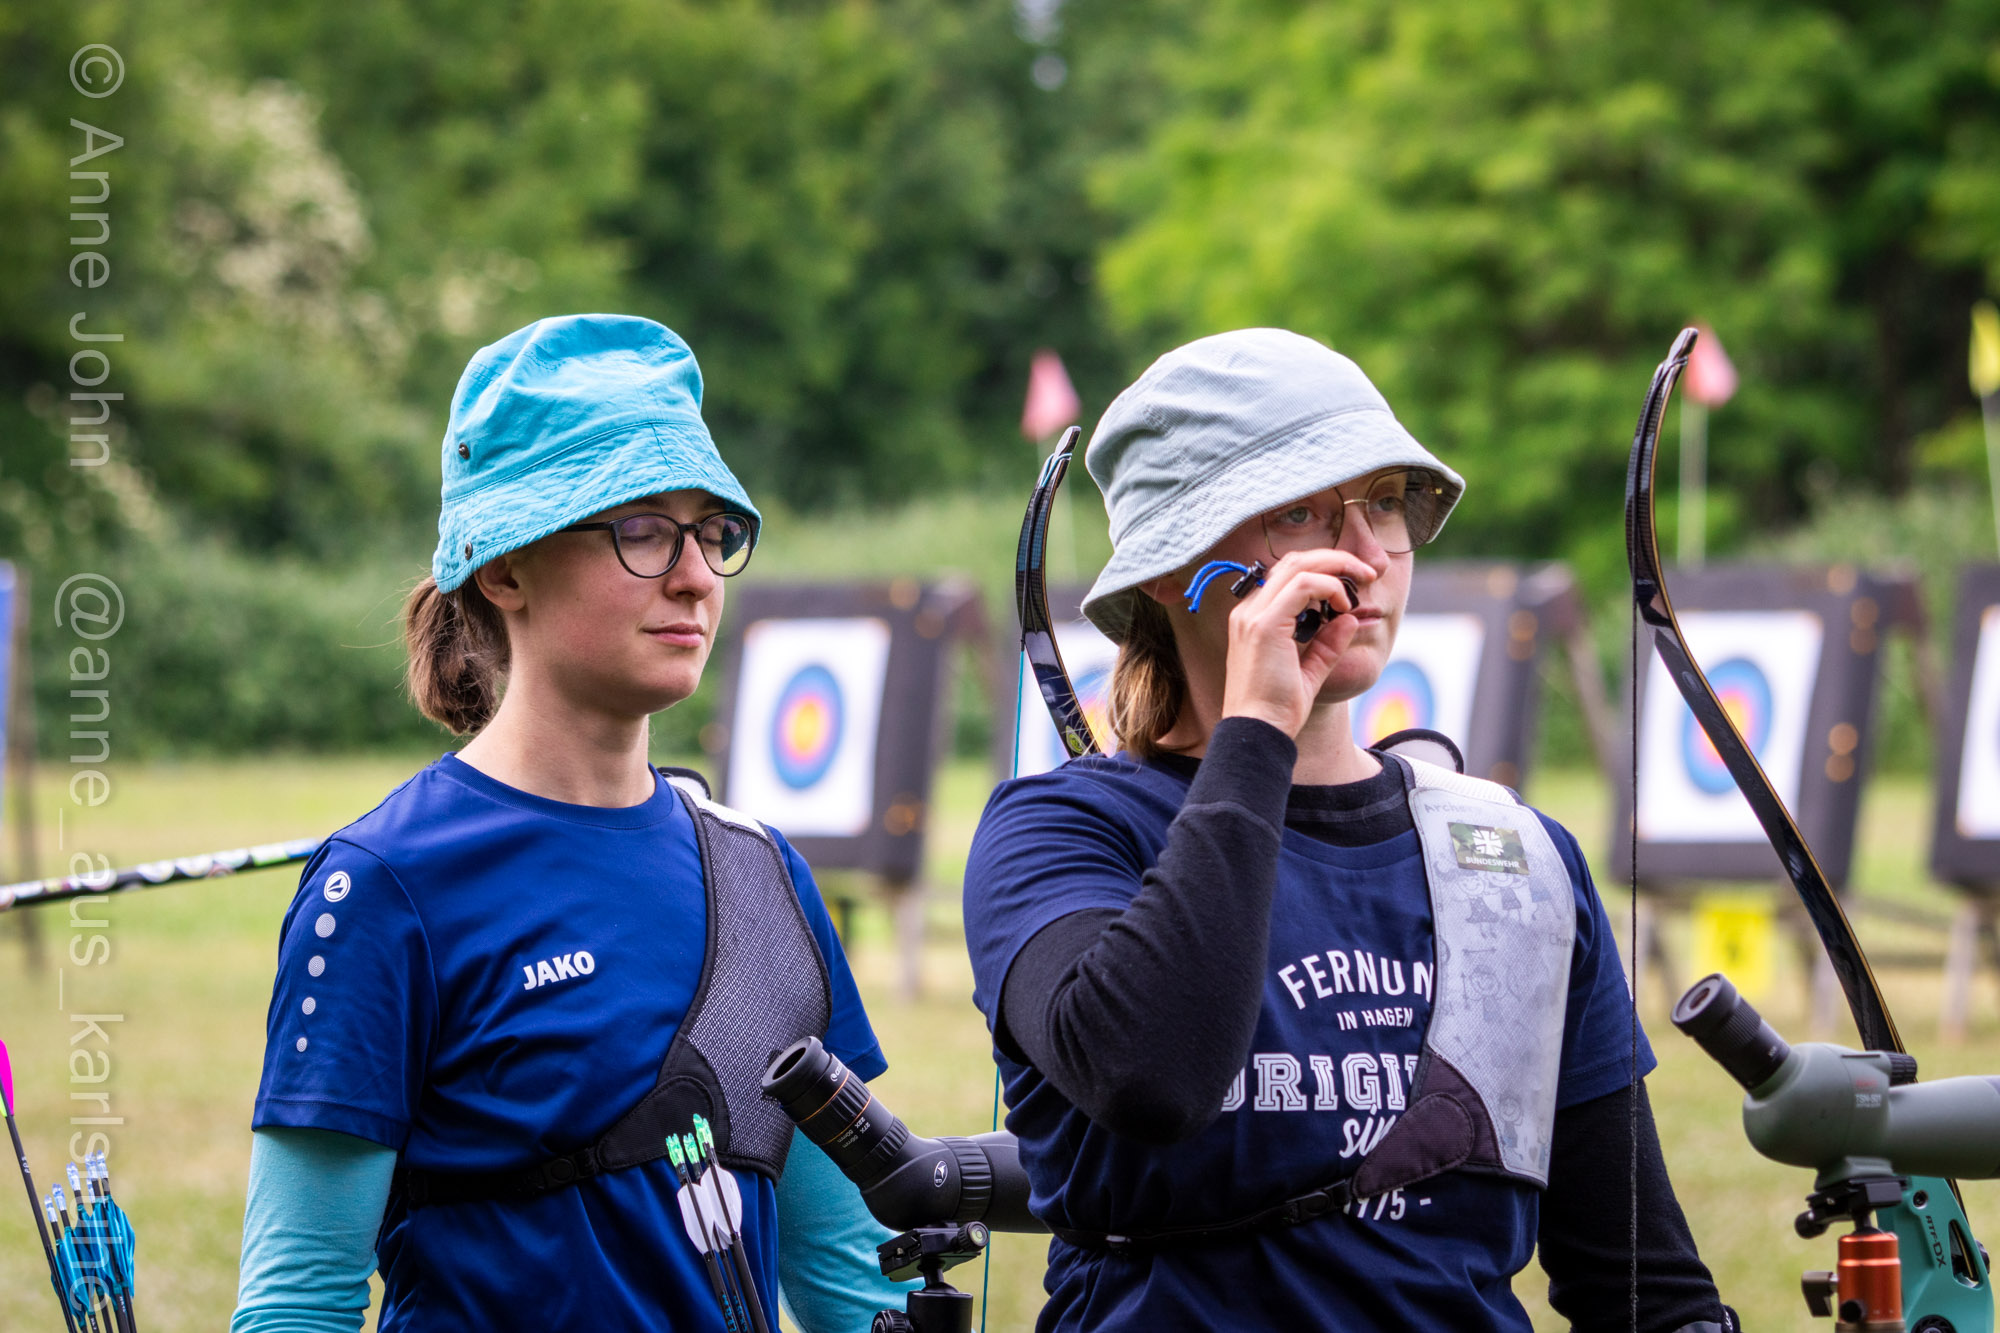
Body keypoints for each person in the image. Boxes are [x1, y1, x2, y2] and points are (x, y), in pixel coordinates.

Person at [964, 329, 1735, 1332]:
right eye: (1299, 512)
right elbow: (1152, 1075)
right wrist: (1255, 729)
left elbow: (1643, 1289)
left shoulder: (1512, 858)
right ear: (1168, 570)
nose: (1368, 557)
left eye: (1386, 503)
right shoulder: (1059, 831)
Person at [230, 315, 910, 1332]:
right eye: (642, 529)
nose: (695, 575)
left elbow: (858, 1285)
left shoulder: (764, 876)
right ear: (503, 568)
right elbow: (299, 1300)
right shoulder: (382, 887)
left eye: (712, 532)